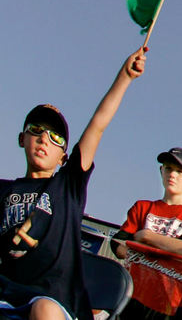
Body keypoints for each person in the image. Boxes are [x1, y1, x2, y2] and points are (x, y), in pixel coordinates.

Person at [0, 48, 148, 320]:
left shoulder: (68, 185)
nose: (45, 138)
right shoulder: (3, 190)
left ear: (64, 156)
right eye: (36, 130)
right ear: (22, 139)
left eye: (56, 136)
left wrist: (124, 78)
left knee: (43, 310)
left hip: (53, 299)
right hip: (6, 294)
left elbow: (98, 125)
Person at [113, 148, 182, 320]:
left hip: (172, 301)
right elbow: (118, 245)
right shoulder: (142, 207)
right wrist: (172, 249)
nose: (172, 174)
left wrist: (147, 237)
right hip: (133, 296)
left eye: (180, 171)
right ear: (161, 171)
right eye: (168, 168)